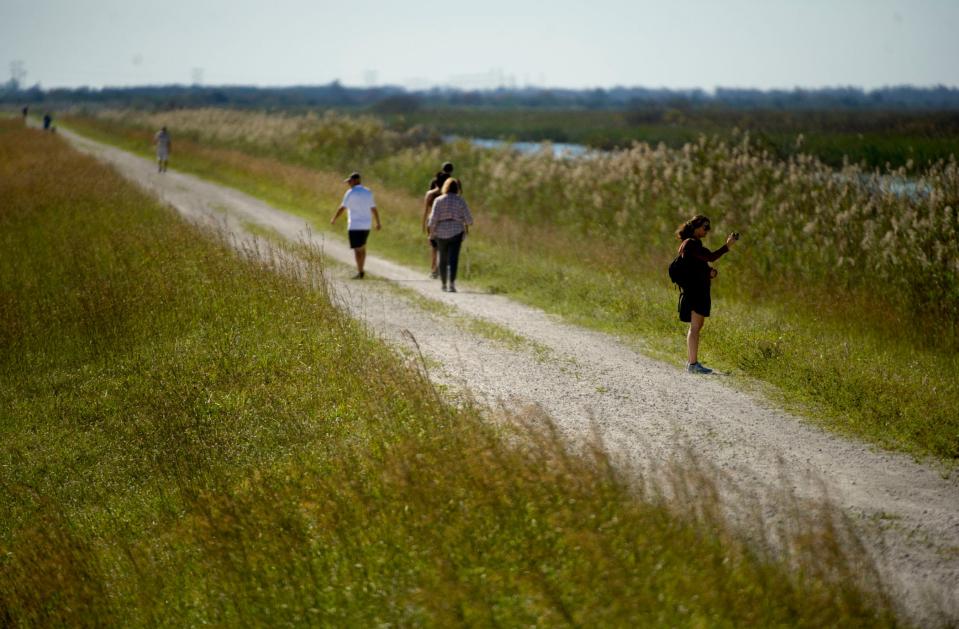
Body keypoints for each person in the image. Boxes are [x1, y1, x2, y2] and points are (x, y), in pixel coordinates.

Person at [675, 215, 737, 374]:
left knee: (695, 326)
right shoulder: (692, 244)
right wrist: (727, 246)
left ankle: (692, 363)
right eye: (705, 227)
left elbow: (695, 266)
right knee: (695, 327)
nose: (707, 230)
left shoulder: (689, 244)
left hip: (695, 289)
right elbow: (710, 256)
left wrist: (708, 271)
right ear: (696, 228)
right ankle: (693, 364)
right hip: (696, 290)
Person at [331, 171, 381, 279]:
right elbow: (374, 208)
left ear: (356, 180)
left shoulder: (350, 193)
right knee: (362, 247)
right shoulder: (368, 192)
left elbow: (342, 207)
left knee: (357, 250)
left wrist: (334, 218)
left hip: (354, 225)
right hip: (366, 225)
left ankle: (360, 271)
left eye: (350, 181)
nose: (349, 183)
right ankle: (361, 269)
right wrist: (377, 222)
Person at [427, 178, 473, 292]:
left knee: (442, 257)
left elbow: (432, 220)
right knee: (453, 258)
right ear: (457, 188)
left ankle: (443, 283)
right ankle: (451, 284)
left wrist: (431, 234)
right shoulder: (460, 201)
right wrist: (461, 219)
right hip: (456, 232)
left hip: (441, 232)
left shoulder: (438, 200)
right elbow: (469, 220)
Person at [422, 170, 450, 278]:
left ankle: (433, 269)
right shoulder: (447, 195)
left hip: (431, 221)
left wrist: (423, 224)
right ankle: (440, 268)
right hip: (444, 221)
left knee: (434, 247)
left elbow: (425, 211)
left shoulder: (430, 194)